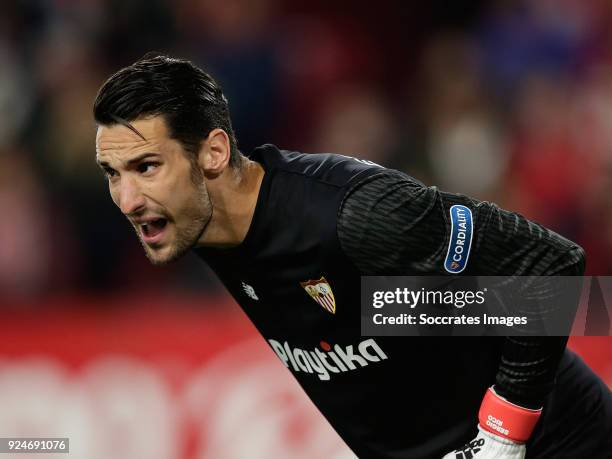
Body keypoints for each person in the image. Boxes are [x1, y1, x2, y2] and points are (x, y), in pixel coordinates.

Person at [93, 54, 611, 459]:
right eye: (113, 174)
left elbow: (553, 268)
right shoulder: (198, 227)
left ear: (214, 152)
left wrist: (500, 437)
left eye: (146, 166)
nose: (127, 199)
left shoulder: (351, 214)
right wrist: (418, 310)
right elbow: (406, 316)